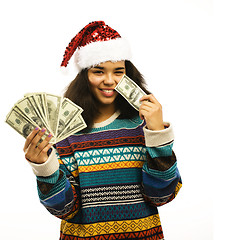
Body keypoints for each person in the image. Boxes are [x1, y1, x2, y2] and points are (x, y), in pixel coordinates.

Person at [23, 21, 182, 240]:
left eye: (118, 71)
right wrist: (44, 169)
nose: (109, 81)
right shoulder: (65, 134)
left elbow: (162, 196)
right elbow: (64, 209)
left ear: (128, 75)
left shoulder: (143, 126)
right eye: (98, 71)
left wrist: (157, 134)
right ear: (84, 76)